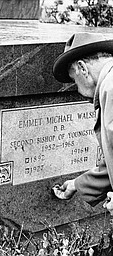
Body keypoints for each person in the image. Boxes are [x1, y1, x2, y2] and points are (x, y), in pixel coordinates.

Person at [52, 32, 113, 214]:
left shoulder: (110, 87)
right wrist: (76, 185)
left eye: (73, 80)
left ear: (82, 68)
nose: (77, 89)